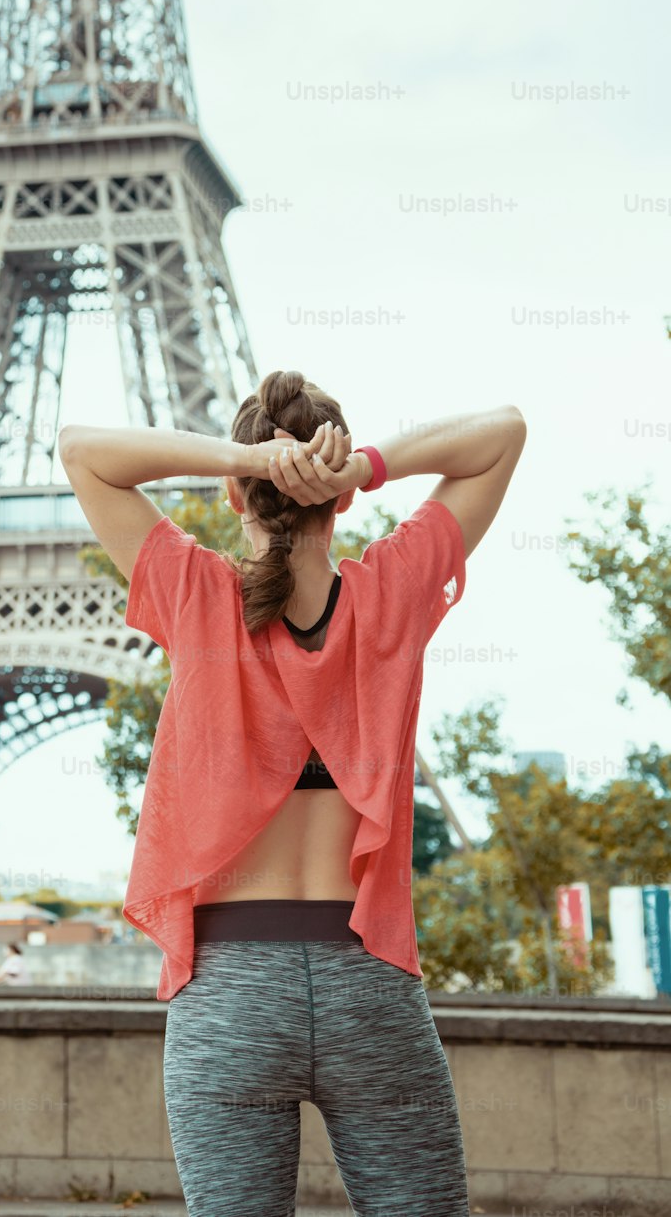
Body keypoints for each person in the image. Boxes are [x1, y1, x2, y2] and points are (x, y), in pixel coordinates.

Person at [59, 370, 526, 1216]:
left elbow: (83, 452)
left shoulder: (198, 596)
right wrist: (367, 465)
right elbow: (504, 429)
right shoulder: (391, 592)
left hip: (229, 996)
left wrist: (242, 456)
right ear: (335, 503)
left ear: (237, 493)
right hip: (370, 983)